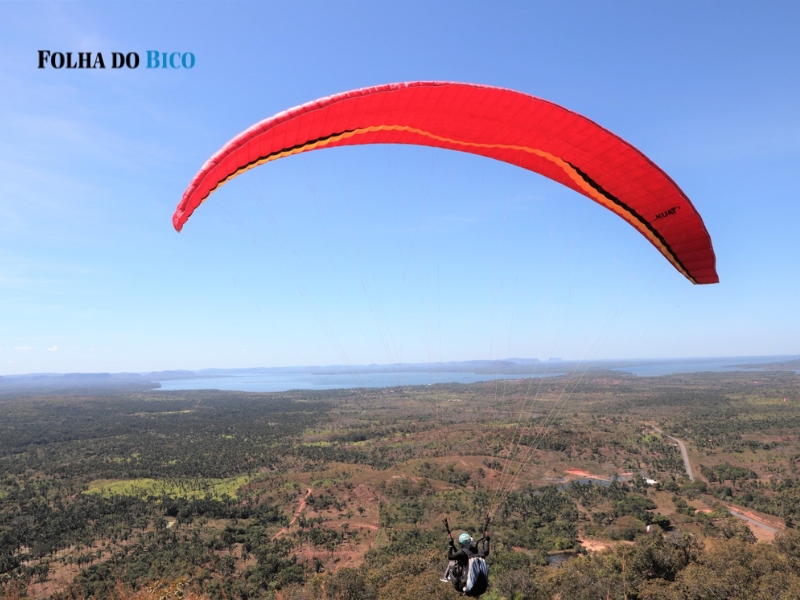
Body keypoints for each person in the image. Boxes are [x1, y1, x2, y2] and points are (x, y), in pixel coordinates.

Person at [441, 529, 490, 596]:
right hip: (483, 588)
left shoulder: (462, 552)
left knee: (452, 563)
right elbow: (486, 552)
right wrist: (487, 540)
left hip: (469, 588)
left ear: (461, 543)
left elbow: (450, 557)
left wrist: (450, 545)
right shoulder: (480, 551)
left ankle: (446, 577)